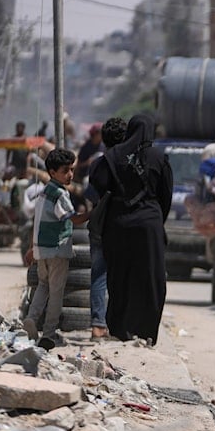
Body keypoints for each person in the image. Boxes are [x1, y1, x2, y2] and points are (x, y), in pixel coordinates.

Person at [89, 114, 173, 344]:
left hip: (118, 225)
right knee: (151, 279)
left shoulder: (112, 156)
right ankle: (146, 332)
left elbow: (97, 185)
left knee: (119, 277)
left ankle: (119, 329)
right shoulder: (159, 157)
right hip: (150, 225)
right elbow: (166, 195)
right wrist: (155, 219)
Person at [22, 148, 89, 350]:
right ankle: (50, 334)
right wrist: (95, 212)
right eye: (65, 170)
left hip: (42, 250)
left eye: (71, 170)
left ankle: (32, 318)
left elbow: (37, 222)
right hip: (58, 251)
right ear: (52, 172)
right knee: (56, 292)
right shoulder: (60, 194)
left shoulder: (44, 191)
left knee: (43, 285)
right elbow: (74, 219)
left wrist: (32, 248)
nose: (70, 174)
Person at [86, 116, 126, 340]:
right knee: (119, 277)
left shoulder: (97, 164)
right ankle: (114, 324)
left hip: (99, 225)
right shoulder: (128, 164)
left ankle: (98, 325)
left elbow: (90, 195)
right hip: (121, 227)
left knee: (98, 276)